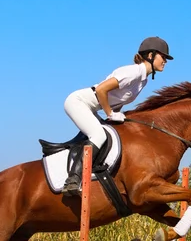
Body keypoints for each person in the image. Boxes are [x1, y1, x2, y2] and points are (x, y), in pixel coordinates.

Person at [61, 36, 174, 196]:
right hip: (78, 102)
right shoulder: (133, 72)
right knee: (99, 135)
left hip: (92, 107)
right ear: (151, 55)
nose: (165, 61)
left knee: (110, 135)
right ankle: (73, 179)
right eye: (163, 57)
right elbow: (101, 90)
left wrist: (114, 116)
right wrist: (110, 114)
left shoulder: (143, 81)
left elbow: (117, 100)